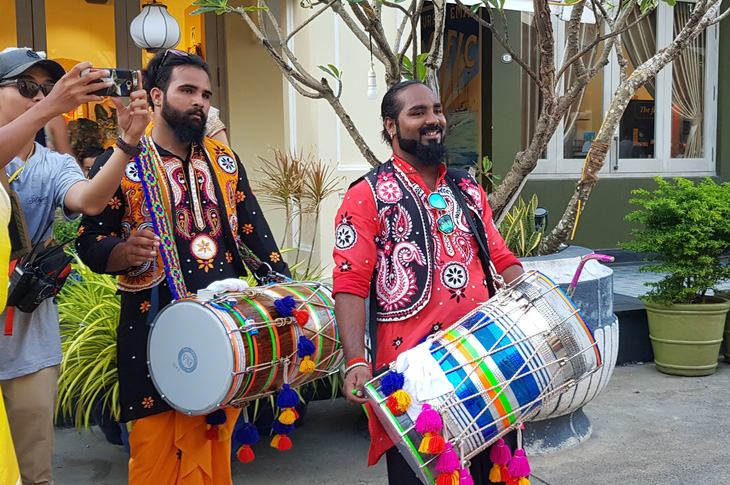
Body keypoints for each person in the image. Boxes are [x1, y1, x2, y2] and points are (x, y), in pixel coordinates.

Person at [75, 49, 290, 485]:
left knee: (215, 447)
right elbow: (90, 241)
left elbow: (256, 236)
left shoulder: (225, 162)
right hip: (151, 328)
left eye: (206, 94)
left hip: (227, 332)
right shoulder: (123, 161)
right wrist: (123, 252)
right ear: (156, 95)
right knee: (155, 453)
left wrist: (286, 299)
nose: (200, 102)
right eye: (187, 90)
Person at [333, 81, 524, 484]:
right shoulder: (366, 195)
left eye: (436, 110)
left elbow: (501, 258)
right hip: (412, 379)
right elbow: (350, 283)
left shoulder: (466, 187)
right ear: (391, 125)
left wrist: (536, 301)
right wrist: (355, 361)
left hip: (484, 362)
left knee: (494, 473)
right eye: (417, 112)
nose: (433, 120)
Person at [0, 47, 150, 485]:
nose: (39, 97)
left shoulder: (53, 164)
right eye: (27, 88)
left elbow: (89, 200)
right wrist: (51, 107)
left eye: (47, 90)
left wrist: (127, 143)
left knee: (34, 474)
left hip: (27, 341)